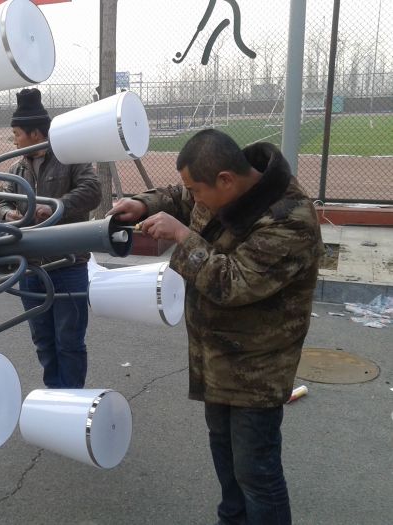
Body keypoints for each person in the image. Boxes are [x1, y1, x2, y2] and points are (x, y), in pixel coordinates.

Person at [108, 129, 323, 525]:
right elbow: (181, 195)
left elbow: (233, 283)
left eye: (199, 190)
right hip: (216, 357)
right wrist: (141, 204)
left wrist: (182, 236)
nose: (194, 198)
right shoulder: (227, 185)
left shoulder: (290, 219)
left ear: (225, 179)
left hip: (256, 368)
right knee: (225, 456)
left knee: (256, 472)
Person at [0, 87, 101, 389]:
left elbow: (92, 190)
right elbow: (2, 202)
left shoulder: (70, 157)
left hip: (68, 265)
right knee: (42, 339)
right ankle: (55, 396)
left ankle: (72, 399)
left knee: (69, 341)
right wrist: (8, 215)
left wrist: (57, 206)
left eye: (17, 134)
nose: (14, 140)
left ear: (34, 134)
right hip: (30, 268)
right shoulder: (16, 167)